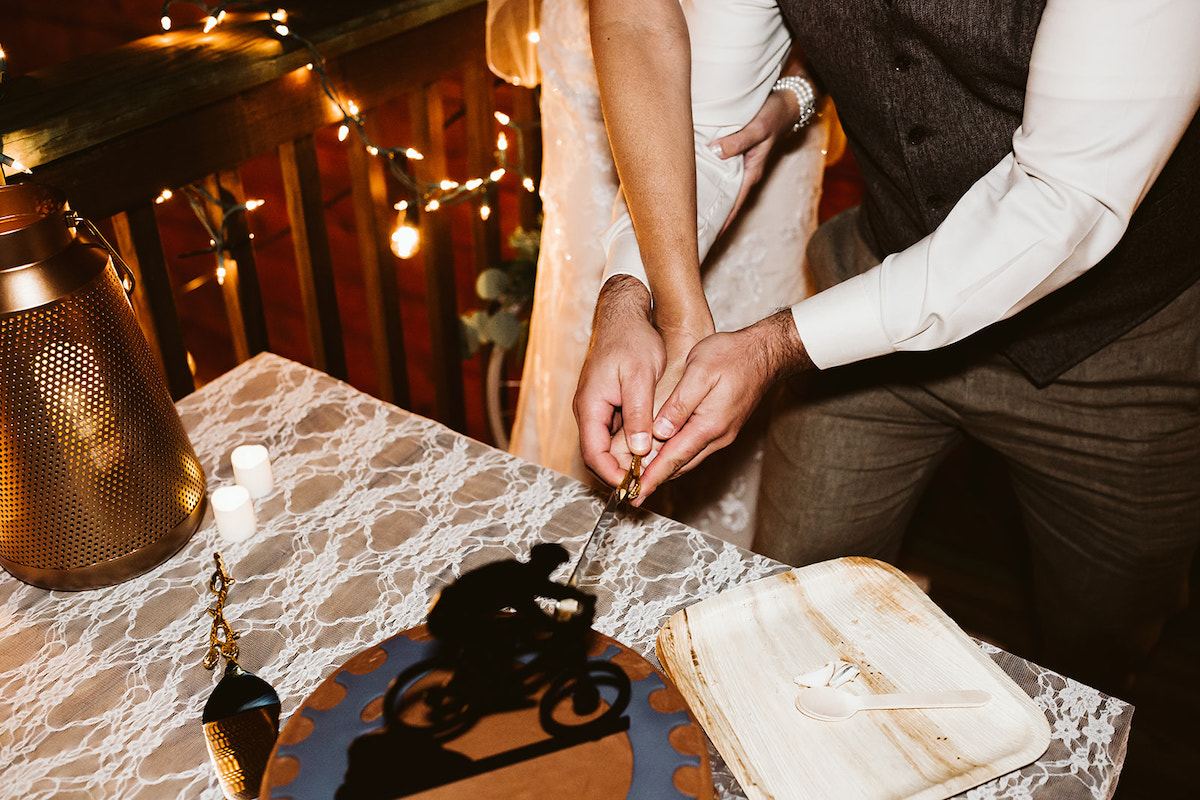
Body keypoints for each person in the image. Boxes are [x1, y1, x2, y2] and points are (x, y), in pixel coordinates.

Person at [577, 0, 1200, 694]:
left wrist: (777, 345)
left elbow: (1061, 201)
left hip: (1121, 344)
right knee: (790, 600)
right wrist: (629, 295)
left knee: (1098, 656)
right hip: (873, 299)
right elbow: (707, 127)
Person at [509, 0, 833, 547]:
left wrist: (799, 89)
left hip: (758, 73)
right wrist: (630, 297)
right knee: (592, 319)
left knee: (746, 347)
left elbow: (712, 136)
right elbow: (636, 28)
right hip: (598, 56)